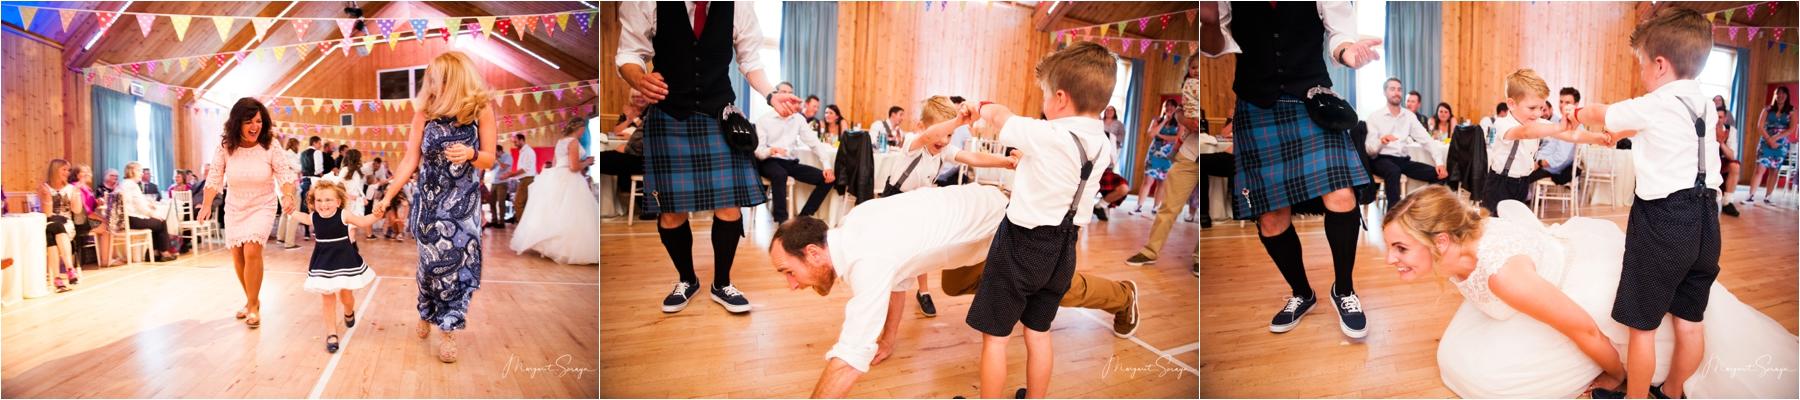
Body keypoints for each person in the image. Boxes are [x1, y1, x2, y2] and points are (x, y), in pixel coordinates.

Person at [1380, 186, 1796, 398]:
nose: (1390, 259)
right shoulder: (1458, 249)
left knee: (1491, 379)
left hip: (1580, 289)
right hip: (1538, 276)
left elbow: (1584, 330)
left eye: (1401, 247)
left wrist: (1615, 377)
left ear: (1442, 241)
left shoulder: (1504, 276)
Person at [769, 186, 1141, 398]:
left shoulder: (866, 258)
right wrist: (888, 339)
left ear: (814, 252)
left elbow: (849, 358)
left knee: (1050, 287)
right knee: (955, 282)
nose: (791, 283)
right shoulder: (854, 224)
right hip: (979, 218)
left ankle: (1123, 295)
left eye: (789, 271)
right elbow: (899, 278)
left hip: (1006, 221)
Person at [1558, 9, 1726, 398]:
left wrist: (1577, 112)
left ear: (1660, 65)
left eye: (1642, 65)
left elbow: (1603, 114)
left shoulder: (1655, 103)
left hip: (1665, 221)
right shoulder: (1706, 105)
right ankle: (1671, 391)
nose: (1641, 75)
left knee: (1643, 326)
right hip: (1707, 220)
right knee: (1689, 322)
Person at [1202, 1, 1386, 338]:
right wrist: (1210, 23)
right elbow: (1214, 47)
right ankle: (1302, 292)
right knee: (1271, 217)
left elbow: (1340, 34)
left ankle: (1343, 290)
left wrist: (1348, 53)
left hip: (1312, 101)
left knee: (1342, 195)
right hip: (1256, 105)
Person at [947, 41, 1120, 398]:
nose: (1043, 104)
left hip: (1022, 244)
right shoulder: (1104, 142)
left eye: (1044, 95)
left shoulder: (1046, 133)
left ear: (1060, 98)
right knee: (1038, 331)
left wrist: (977, 105)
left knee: (995, 336)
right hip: (1065, 248)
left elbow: (997, 115)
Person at [618, 1, 800, 316]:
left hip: (719, 114)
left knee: (729, 205)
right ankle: (686, 280)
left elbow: (750, 58)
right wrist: (638, 79)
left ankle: (722, 283)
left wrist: (771, 94)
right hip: (669, 113)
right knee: (671, 211)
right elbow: (629, 54)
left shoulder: (738, 5)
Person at [375, 51, 498, 364]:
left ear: (453, 78)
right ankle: (425, 309)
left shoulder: (479, 109)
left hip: (464, 204)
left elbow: (489, 158)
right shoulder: (425, 112)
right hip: (429, 202)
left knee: (457, 270)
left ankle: (449, 330)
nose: (430, 83)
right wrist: (388, 195)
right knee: (430, 267)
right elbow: (409, 160)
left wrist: (471, 153)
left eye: (435, 77)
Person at [882, 96, 1023, 317]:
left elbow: (972, 157)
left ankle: (924, 292)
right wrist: (957, 121)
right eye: (942, 133)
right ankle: (886, 294)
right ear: (921, 127)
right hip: (894, 207)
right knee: (895, 262)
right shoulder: (912, 142)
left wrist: (1005, 162)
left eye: (949, 135)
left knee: (921, 252)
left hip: (919, 207)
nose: (944, 140)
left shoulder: (944, 150)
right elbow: (929, 136)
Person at [197, 97, 298, 329]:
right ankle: (252, 300)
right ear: (237, 123)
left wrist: (288, 195)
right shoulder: (226, 146)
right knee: (238, 256)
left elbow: (284, 173)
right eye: (249, 122)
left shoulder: (270, 145)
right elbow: (214, 177)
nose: (255, 127)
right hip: (234, 207)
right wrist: (206, 204)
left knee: (252, 250)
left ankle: (253, 307)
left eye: (259, 121)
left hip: (262, 204)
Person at [1481, 70, 1609, 213]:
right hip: (1500, 185)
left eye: (1541, 108)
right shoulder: (1502, 124)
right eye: (1532, 108)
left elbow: (1571, 135)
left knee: (1515, 227)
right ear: (1511, 104)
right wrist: (1559, 126)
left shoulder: (1538, 122)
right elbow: (1526, 132)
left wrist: (1597, 138)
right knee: (1494, 227)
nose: (1538, 113)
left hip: (1522, 183)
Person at [290, 180, 378, 354]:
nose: (324, 204)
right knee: (327, 297)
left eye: (328, 200)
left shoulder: (343, 214)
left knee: (346, 296)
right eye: (319, 200)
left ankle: (348, 310)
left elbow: (362, 221)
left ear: (338, 202)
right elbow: (302, 217)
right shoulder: (314, 217)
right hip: (323, 261)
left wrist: (377, 214)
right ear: (314, 202)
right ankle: (331, 333)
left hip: (344, 259)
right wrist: (290, 210)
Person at [510, 119, 601, 265]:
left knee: (556, 212)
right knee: (572, 213)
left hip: (557, 176)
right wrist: (587, 162)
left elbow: (554, 164)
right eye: (583, 129)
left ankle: (551, 247)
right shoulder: (573, 142)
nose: (583, 132)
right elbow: (574, 167)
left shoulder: (561, 141)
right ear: (579, 128)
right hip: (570, 178)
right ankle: (565, 249)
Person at [756, 82, 837, 226]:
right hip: (768, 161)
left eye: (790, 93)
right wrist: (771, 150)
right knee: (779, 174)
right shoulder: (763, 120)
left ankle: (803, 218)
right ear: (775, 95)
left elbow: (814, 143)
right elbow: (759, 153)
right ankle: (782, 221)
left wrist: (827, 165)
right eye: (783, 92)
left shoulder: (798, 119)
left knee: (827, 180)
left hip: (790, 162)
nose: (787, 97)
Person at [1363, 77, 1448, 210]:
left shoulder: (1409, 116)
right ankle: (1393, 216)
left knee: (1438, 175)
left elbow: (1426, 139)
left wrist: (1439, 162)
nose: (1396, 92)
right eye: (1392, 89)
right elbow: (1369, 150)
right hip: (1380, 159)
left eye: (1399, 89)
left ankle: (1425, 210)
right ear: (1385, 92)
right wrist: (1381, 141)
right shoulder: (1375, 117)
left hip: (1402, 160)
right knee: (1393, 171)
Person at [119, 161, 178, 262]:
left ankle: (154, 253)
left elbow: (136, 201)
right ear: (132, 171)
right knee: (161, 222)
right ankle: (164, 252)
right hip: (132, 219)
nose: (141, 173)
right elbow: (140, 207)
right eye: (139, 171)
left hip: (126, 219)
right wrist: (152, 213)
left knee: (155, 223)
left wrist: (148, 205)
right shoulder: (133, 185)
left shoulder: (124, 184)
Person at [1747, 86, 1795, 203]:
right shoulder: (1767, 109)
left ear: (1787, 96)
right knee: (1759, 168)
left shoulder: (1792, 110)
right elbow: (1760, 125)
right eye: (1778, 93)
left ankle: (1768, 197)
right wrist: (1769, 139)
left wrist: (1776, 138)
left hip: (1781, 144)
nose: (1780, 96)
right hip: (1765, 141)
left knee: (1774, 170)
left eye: (1783, 94)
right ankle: (1751, 196)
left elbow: (1792, 128)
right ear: (1775, 95)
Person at [39, 159, 80, 291]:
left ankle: (57, 278)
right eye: (64, 169)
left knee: (52, 234)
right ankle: (70, 269)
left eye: (68, 170)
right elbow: (47, 214)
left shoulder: (71, 189)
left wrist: (77, 195)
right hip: (49, 222)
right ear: (55, 170)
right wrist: (47, 199)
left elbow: (77, 210)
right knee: (54, 226)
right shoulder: (44, 188)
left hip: (66, 224)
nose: (67, 173)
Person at [1133, 99, 1181, 214]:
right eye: (1166, 106)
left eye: (1171, 106)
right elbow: (1151, 133)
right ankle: (1138, 206)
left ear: (1175, 109)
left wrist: (1159, 135)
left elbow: (1177, 138)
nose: (1168, 108)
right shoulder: (1156, 120)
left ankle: (1155, 207)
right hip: (1154, 155)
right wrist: (1164, 121)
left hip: (1169, 156)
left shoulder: (1179, 123)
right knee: (1147, 181)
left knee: (1162, 183)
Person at [73, 165, 115, 267]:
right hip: (80, 221)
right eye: (84, 171)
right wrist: (102, 219)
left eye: (88, 171)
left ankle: (105, 259)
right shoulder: (76, 187)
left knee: (108, 225)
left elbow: (90, 205)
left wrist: (97, 202)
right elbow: (85, 211)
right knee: (107, 228)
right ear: (77, 175)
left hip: (87, 218)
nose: (87, 173)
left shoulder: (86, 188)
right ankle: (106, 260)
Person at [500, 133, 538, 224]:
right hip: (524, 179)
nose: (515, 144)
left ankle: (523, 226)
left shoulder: (528, 151)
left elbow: (525, 169)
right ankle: (527, 226)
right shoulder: (523, 151)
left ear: (522, 140)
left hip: (527, 180)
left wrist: (510, 175)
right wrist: (511, 174)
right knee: (524, 204)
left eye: (516, 142)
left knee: (518, 203)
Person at [322, 149, 367, 216]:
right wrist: (349, 196)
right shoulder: (345, 170)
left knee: (356, 223)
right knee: (349, 223)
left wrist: (362, 197)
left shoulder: (359, 171)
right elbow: (337, 187)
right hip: (348, 201)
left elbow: (358, 187)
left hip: (358, 201)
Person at [1716, 106, 1743, 217]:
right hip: (1708, 163)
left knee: (1735, 165)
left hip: (1722, 162)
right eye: (1716, 117)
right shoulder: (1706, 129)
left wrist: (1721, 143)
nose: (1718, 120)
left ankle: (1727, 202)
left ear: (1725, 119)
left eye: (1720, 117)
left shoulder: (1731, 131)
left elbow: (1732, 156)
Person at [483, 136, 515, 228]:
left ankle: (501, 222)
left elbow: (504, 167)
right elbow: (489, 169)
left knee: (501, 203)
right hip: (493, 182)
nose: (495, 154)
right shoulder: (495, 158)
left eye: (495, 152)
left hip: (502, 182)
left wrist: (497, 159)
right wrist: (492, 161)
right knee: (491, 202)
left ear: (500, 151)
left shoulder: (507, 156)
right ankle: (494, 220)